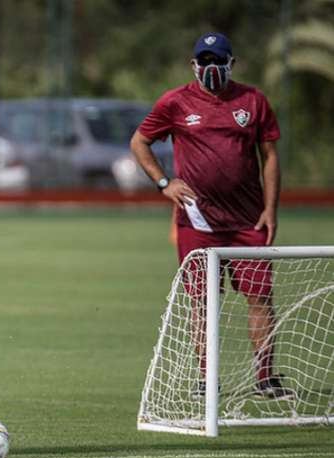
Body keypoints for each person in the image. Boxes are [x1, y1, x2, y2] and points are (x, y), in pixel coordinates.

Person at [130, 32, 291, 399]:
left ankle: (265, 378)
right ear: (194, 66)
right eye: (204, 61)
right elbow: (139, 142)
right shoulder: (175, 102)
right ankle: (208, 380)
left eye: (218, 61)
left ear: (231, 65)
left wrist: (270, 208)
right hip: (197, 221)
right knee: (203, 300)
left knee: (260, 297)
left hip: (249, 221)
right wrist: (163, 182)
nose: (211, 68)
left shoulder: (253, 101)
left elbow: (270, 157)